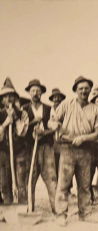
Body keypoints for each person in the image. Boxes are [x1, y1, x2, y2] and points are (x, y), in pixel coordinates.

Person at [49, 76, 98, 226]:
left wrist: (84, 138)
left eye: (86, 88)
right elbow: (52, 120)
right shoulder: (66, 104)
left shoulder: (95, 109)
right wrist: (54, 124)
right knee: (64, 183)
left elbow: (97, 133)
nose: (84, 91)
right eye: (80, 88)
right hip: (67, 148)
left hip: (86, 150)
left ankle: (85, 213)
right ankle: (61, 214)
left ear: (90, 90)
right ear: (75, 90)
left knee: (85, 185)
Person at [23, 79, 57, 214]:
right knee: (29, 178)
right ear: (29, 93)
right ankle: (29, 208)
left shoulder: (49, 108)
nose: (35, 93)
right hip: (29, 148)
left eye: (38, 91)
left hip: (46, 147)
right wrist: (32, 123)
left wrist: (44, 132)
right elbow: (21, 129)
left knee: (51, 178)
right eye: (33, 91)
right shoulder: (23, 109)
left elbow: (55, 127)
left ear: (42, 93)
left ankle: (56, 208)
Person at [0, 77, 29, 204]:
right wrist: (5, 124)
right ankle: (8, 208)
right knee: (5, 183)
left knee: (21, 182)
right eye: (5, 97)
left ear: (15, 98)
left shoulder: (22, 113)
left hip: (20, 152)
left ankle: (23, 207)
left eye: (11, 96)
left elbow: (22, 132)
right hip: (3, 153)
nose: (8, 99)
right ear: (1, 100)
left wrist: (16, 119)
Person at [49, 88, 66, 178]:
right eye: (55, 98)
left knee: (65, 163)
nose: (57, 99)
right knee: (55, 161)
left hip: (64, 137)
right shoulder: (49, 110)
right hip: (53, 139)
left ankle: (68, 187)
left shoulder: (66, 108)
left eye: (59, 97)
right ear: (52, 99)